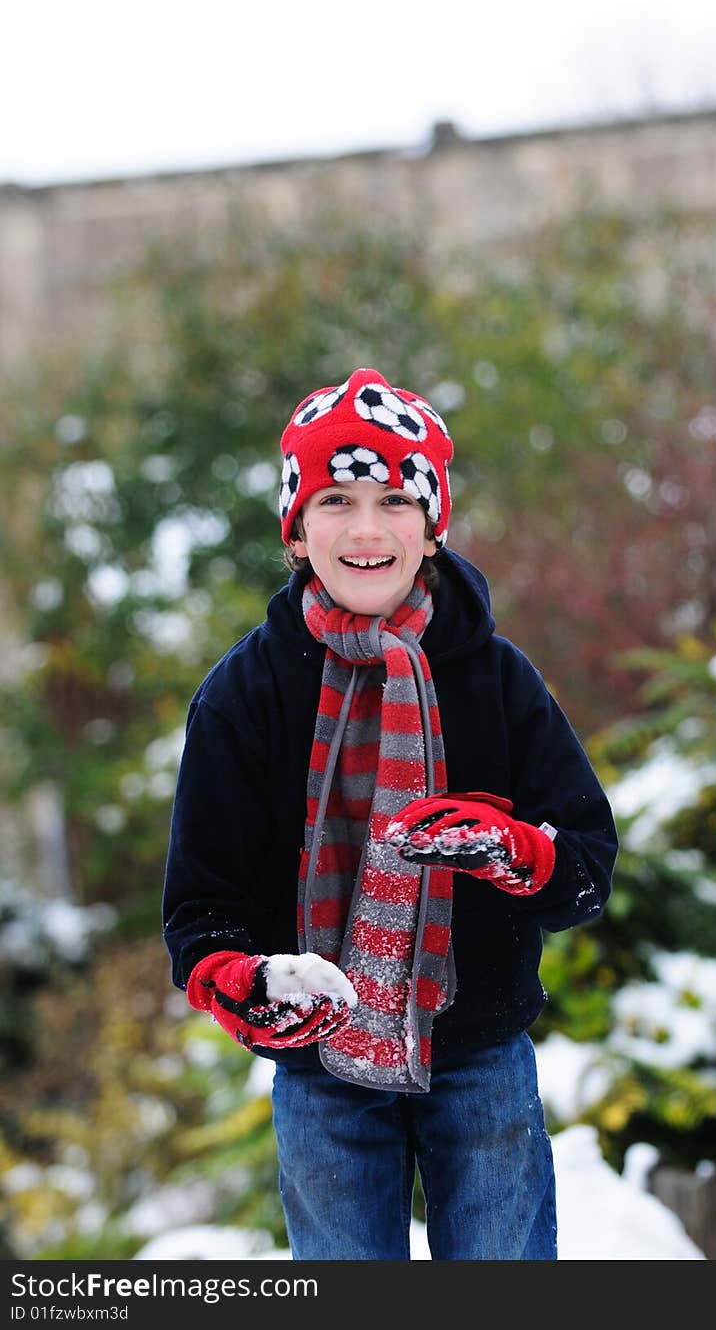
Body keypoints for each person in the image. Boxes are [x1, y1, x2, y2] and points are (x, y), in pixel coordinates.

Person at [162, 367, 618, 1260]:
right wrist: (240, 984)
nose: (366, 529)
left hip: (479, 1054)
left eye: (393, 500)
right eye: (335, 498)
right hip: (319, 1072)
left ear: (432, 524)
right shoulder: (242, 698)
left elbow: (586, 870)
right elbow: (198, 913)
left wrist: (514, 851)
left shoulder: (497, 679)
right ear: (296, 530)